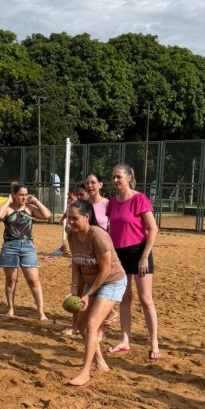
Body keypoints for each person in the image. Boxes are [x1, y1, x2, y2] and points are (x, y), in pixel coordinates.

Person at [65, 200, 127, 386]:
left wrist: (88, 294)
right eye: (68, 218)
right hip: (92, 282)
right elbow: (76, 262)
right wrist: (74, 290)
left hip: (112, 281)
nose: (70, 222)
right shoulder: (72, 234)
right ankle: (100, 362)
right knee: (81, 325)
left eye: (74, 218)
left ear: (87, 217)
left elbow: (106, 270)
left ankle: (85, 372)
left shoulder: (98, 236)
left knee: (92, 325)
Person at [106, 164, 160, 358]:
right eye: (113, 177)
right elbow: (111, 229)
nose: (115, 180)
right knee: (125, 298)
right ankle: (125, 340)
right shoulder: (112, 202)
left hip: (139, 252)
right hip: (119, 254)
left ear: (129, 178)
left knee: (146, 299)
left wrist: (144, 256)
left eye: (119, 177)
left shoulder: (140, 199)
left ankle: (154, 343)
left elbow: (153, 228)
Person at [0, 183, 51, 321]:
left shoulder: (30, 208)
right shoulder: (8, 209)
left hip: (27, 247)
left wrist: (36, 201)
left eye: (26, 194)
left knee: (33, 280)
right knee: (11, 280)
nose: (24, 197)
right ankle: (10, 309)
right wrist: (8, 200)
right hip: (10, 246)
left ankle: (41, 313)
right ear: (14, 195)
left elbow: (47, 215)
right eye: (21, 195)